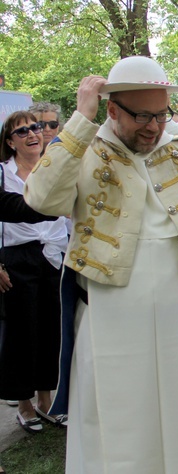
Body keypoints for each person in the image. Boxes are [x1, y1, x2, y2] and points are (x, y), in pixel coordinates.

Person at [23, 56, 178, 472]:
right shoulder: (83, 148)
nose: (153, 126)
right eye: (142, 115)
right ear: (112, 110)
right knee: (113, 423)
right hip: (109, 317)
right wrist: (80, 119)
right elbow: (40, 199)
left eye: (161, 114)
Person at [0, 111, 69, 433]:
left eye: (37, 127)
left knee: (51, 331)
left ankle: (47, 401)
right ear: (10, 141)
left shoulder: (53, 169)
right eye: (23, 130)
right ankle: (23, 404)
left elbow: (71, 217)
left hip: (54, 258)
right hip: (17, 259)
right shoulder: (3, 174)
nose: (33, 134)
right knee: (21, 334)